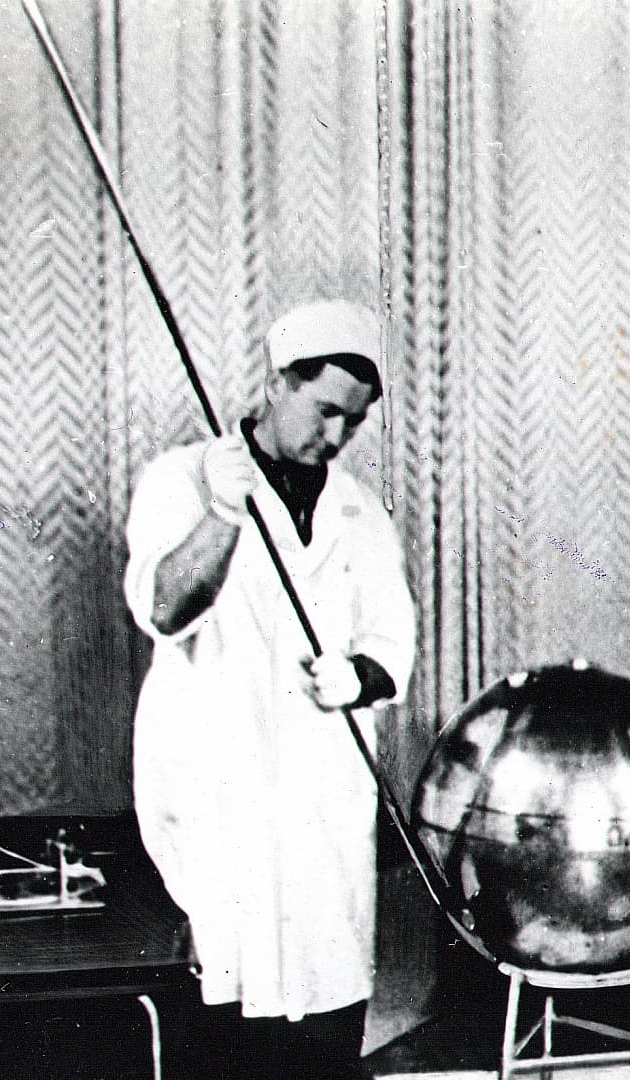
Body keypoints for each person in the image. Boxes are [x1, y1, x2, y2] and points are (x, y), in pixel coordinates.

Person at [123, 299, 416, 1079]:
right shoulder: (181, 480)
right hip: (220, 791)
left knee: (325, 1007)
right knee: (224, 1005)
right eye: (325, 410)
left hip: (324, 799)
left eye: (354, 421)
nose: (337, 436)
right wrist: (223, 513)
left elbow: (392, 644)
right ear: (277, 383)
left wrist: (358, 676)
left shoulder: (359, 514)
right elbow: (164, 609)